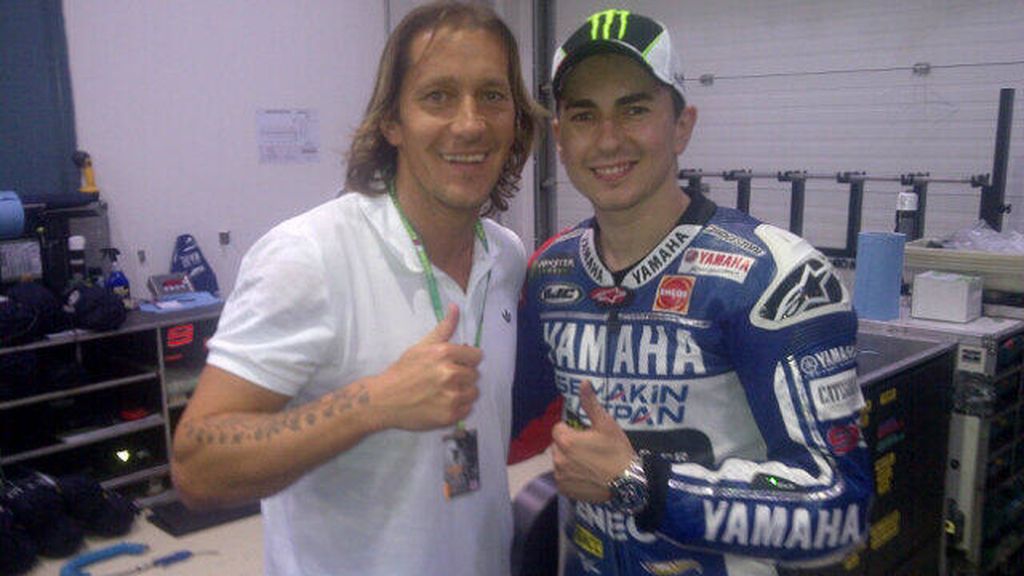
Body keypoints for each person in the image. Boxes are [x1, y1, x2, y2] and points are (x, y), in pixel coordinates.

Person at [171, 2, 542, 574]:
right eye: (438, 95)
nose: (470, 123)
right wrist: (372, 402)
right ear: (392, 121)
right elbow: (197, 466)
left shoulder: (506, 256)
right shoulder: (308, 257)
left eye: (492, 95)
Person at [511, 8, 872, 576]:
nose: (608, 139)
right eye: (584, 115)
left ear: (682, 124)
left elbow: (839, 509)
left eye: (634, 109)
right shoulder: (551, 271)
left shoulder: (776, 275)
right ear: (559, 137)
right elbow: (500, 421)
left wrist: (639, 484)